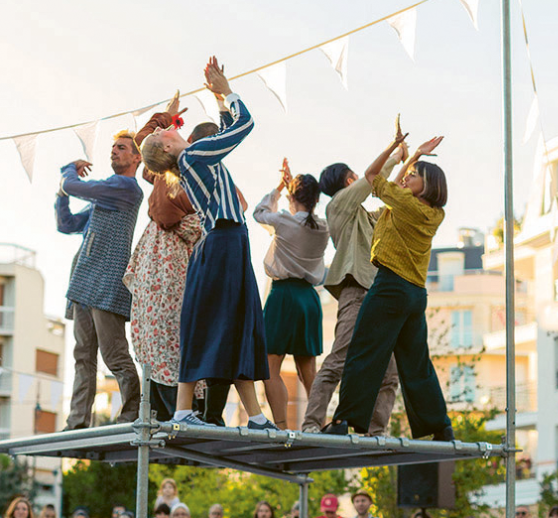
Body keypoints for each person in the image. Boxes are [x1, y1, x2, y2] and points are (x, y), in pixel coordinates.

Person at [140, 56, 276, 430]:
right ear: (166, 149)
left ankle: (256, 416)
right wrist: (228, 91)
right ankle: (188, 410)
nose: (169, 129)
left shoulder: (195, 157)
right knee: (217, 325)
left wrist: (218, 96)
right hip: (223, 241)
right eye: (162, 133)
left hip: (227, 241)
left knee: (235, 325)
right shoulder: (195, 155)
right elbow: (245, 125)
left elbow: (227, 127)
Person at [323, 118, 452, 440]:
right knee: (416, 364)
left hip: (391, 288)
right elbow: (395, 186)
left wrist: (394, 148)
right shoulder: (431, 212)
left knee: (365, 352)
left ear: (428, 184)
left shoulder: (405, 203)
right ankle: (439, 427)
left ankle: (344, 422)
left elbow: (372, 177)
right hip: (415, 295)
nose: (407, 177)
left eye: (414, 176)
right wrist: (413, 158)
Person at [301, 144, 406, 435]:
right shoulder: (339, 207)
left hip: (380, 296)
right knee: (338, 361)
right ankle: (311, 423)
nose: (360, 177)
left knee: (389, 373)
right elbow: (373, 178)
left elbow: (390, 197)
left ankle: (376, 430)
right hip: (357, 291)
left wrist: (412, 161)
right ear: (349, 181)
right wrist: (396, 155)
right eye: (355, 176)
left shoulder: (364, 217)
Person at [56, 126, 145, 430]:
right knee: (83, 356)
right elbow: (66, 224)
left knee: (115, 355)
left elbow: (73, 185)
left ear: (136, 158)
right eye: (114, 147)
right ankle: (78, 421)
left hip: (108, 283)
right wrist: (61, 192)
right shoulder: (106, 195)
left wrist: (67, 172)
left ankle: (134, 414)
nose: (114, 151)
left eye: (122, 148)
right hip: (84, 281)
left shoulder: (124, 188)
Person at [254, 158, 328, 429]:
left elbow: (259, 213)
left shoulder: (284, 221)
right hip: (309, 299)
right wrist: (290, 189)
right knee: (308, 370)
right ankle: (316, 424)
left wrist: (278, 188)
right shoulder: (323, 228)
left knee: (270, 367)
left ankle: (283, 427)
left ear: (291, 196)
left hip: (283, 296)